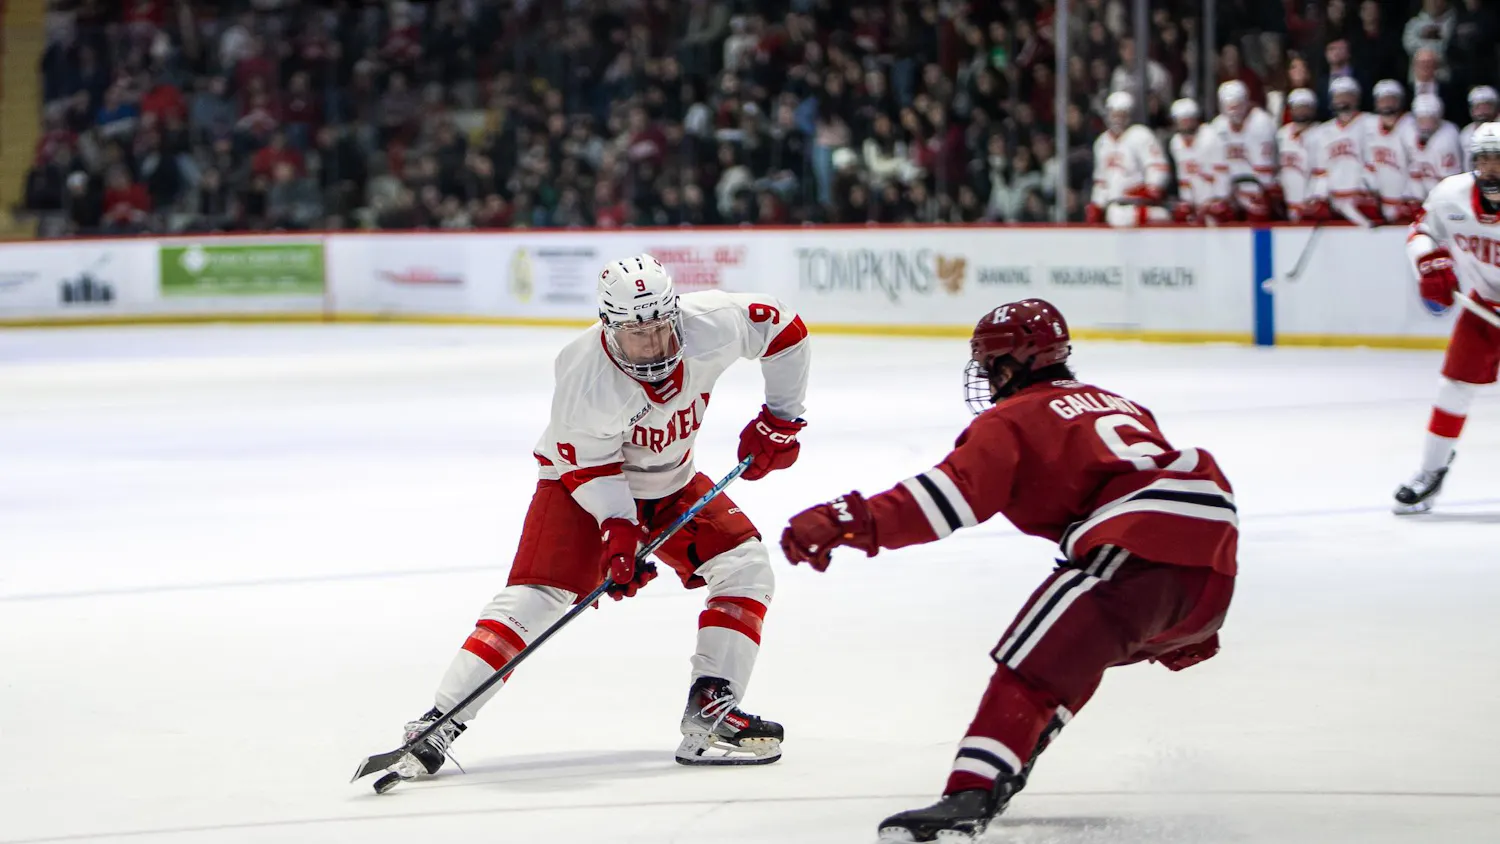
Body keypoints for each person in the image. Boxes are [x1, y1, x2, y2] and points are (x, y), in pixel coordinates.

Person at [780, 299, 1238, 843]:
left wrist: (850, 521)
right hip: (1210, 567)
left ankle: (970, 794)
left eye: (990, 365)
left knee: (1029, 667)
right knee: (1068, 655)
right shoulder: (1122, 404)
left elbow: (944, 500)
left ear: (1011, 365)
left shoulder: (1012, 418)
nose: (986, 378)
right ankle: (1007, 761)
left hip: (1138, 546)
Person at [378, 254, 812, 786]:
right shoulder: (584, 374)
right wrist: (618, 531)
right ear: (609, 326)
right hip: (582, 483)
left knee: (746, 567)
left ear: (675, 313)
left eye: (659, 327)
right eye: (635, 333)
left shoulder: (713, 322)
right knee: (536, 598)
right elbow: (588, 463)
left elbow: (784, 328)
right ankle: (438, 722)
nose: (652, 345)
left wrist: (781, 419)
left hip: (672, 479)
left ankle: (711, 709)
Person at [1395, 125, 1500, 513]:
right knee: (1453, 387)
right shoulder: (1451, 194)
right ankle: (1430, 471)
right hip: (1484, 307)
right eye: (1484, 160)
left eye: (1498, 160)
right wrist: (1428, 261)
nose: (1491, 169)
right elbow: (1421, 230)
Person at [1085, 91, 1171, 227]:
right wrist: (1097, 204)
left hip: (1138, 204)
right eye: (1114, 114)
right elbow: (1101, 179)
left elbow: (1157, 167)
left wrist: (1151, 188)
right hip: (1113, 207)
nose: (1117, 119)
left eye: (1122, 115)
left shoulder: (1140, 134)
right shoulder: (1102, 142)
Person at [1205, 80, 1279, 221]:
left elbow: (1264, 168)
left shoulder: (1261, 122)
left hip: (1259, 191)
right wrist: (1221, 198)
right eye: (1229, 107)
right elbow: (1218, 165)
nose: (1234, 112)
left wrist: (1262, 194)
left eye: (1237, 105)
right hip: (1231, 193)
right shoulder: (1217, 126)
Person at [1312, 76, 1381, 225]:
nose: (1343, 100)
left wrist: (1368, 192)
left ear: (1356, 98)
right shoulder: (1323, 131)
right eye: (1338, 96)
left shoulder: (1371, 123)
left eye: (1347, 95)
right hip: (1334, 205)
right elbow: (1321, 170)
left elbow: (1375, 164)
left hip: (1363, 203)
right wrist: (1319, 197)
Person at [1367, 79, 1420, 223]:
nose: (1387, 103)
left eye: (1392, 99)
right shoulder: (1370, 126)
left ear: (1400, 101)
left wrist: (1412, 197)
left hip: (1407, 204)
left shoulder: (1410, 126)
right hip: (1381, 204)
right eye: (1383, 99)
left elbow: (1418, 165)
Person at [1167, 98, 1220, 223]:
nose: (1185, 124)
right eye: (1181, 120)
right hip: (1192, 203)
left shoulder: (1210, 136)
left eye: (1188, 119)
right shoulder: (1175, 142)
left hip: (1213, 199)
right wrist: (1186, 201)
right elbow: (1183, 176)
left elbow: (1221, 172)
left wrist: (1216, 199)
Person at [1278, 89, 1327, 221]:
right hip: (1285, 207)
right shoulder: (1282, 135)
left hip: (1309, 208)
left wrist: (1317, 197)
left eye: (1306, 107)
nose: (1302, 111)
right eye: (1298, 107)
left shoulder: (1322, 133)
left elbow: (1323, 173)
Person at [1407, 93, 1463, 200]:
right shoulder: (1409, 132)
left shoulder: (1447, 138)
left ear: (1438, 118)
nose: (1425, 125)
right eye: (1421, 119)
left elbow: (1449, 182)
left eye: (1429, 119)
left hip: (1441, 199)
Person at [1459, 86, 1497, 171]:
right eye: (1478, 107)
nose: (1482, 111)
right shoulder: (1465, 133)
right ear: (1472, 110)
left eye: (1486, 107)